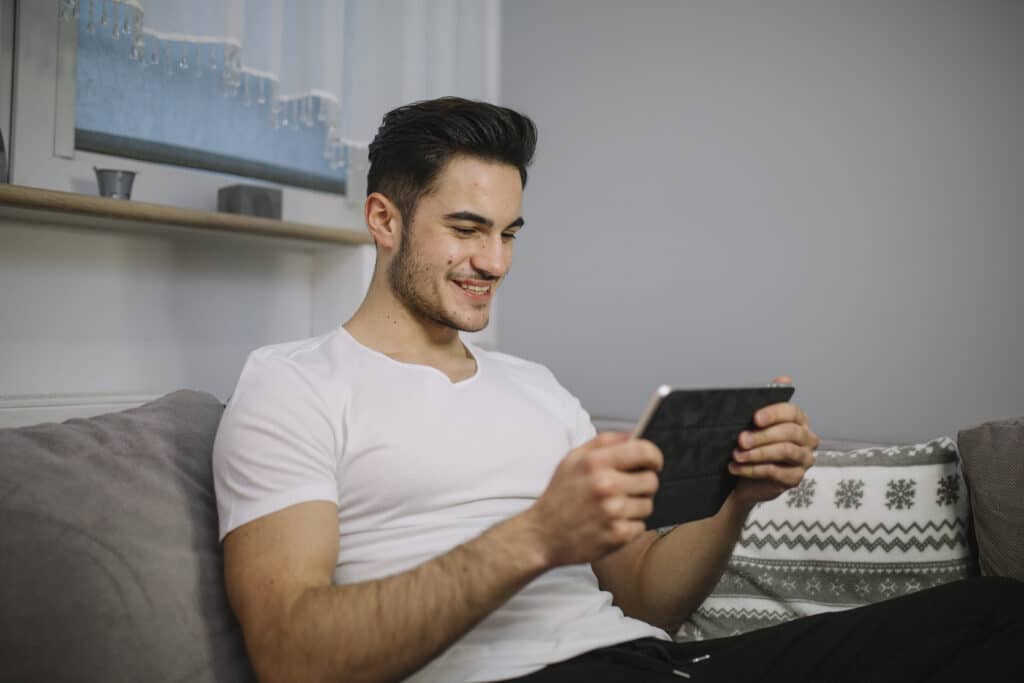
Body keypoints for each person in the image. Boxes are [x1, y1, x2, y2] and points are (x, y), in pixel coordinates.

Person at [212, 97, 1022, 683]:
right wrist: (535, 535)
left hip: (657, 660)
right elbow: (293, 655)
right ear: (384, 220)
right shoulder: (292, 385)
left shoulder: (536, 388)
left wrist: (735, 500)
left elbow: (649, 598)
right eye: (466, 229)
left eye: (508, 233)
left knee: (996, 615)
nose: (494, 262)